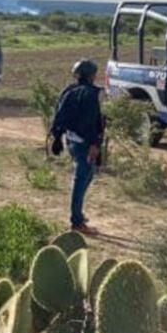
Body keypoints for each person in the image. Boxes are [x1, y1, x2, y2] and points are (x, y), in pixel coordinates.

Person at [49, 59, 105, 235]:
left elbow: (59, 116)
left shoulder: (69, 91)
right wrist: (95, 144)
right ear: (91, 75)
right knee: (81, 179)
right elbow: (91, 123)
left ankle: (78, 213)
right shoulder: (90, 94)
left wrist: (57, 137)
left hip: (71, 140)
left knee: (87, 175)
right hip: (84, 143)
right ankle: (77, 222)